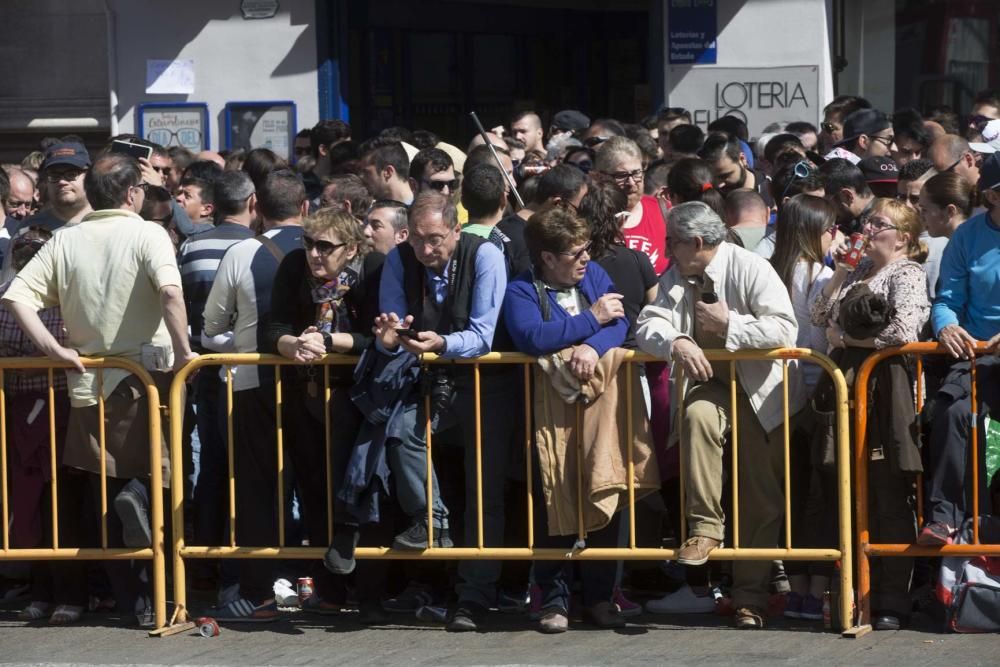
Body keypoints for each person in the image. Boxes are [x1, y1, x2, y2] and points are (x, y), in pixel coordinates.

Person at [2, 153, 197, 626]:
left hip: (87, 382)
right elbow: (171, 293)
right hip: (148, 380)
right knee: (163, 487)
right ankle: (164, 599)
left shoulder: (66, 239)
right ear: (133, 193)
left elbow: (14, 297)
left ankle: (137, 601)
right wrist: (185, 350)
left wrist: (55, 350)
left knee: (103, 497)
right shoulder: (148, 233)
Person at [635, 201, 798, 629]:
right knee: (697, 416)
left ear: (696, 242)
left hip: (762, 393)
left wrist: (730, 327)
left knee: (759, 500)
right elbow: (647, 323)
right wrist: (677, 340)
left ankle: (751, 599)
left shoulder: (752, 268)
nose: (666, 250)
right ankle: (705, 528)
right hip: (714, 385)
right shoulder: (676, 276)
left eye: (672, 242)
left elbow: (785, 328)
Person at [504, 206, 642, 633]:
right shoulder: (522, 290)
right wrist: (590, 320)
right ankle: (554, 599)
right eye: (574, 253)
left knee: (605, 486)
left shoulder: (595, 275)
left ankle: (601, 597)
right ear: (547, 257)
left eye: (586, 249)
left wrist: (593, 346)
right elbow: (531, 337)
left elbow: (621, 322)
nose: (585, 259)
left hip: (601, 411)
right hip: (547, 416)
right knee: (554, 498)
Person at [811, 198, 929, 630]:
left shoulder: (908, 274)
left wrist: (845, 340)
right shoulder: (858, 272)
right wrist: (841, 271)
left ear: (904, 238)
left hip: (885, 391)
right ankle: (849, 596)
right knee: (843, 489)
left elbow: (903, 331)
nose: (868, 226)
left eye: (879, 222)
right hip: (845, 389)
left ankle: (891, 599)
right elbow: (818, 315)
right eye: (869, 219)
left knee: (887, 492)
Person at [920, 153, 1000, 550]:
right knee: (952, 414)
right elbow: (945, 299)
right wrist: (946, 325)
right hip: (980, 355)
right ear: (992, 195)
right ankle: (944, 517)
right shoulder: (968, 236)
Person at [766, 195, 837, 621]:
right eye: (830, 228)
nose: (835, 235)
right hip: (813, 398)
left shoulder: (770, 268)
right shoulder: (819, 274)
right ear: (814, 231)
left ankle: (796, 589)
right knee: (819, 497)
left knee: (790, 495)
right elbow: (818, 339)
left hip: (775, 400)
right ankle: (814, 591)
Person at [0, 228, 74, 624]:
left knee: (66, 498)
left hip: (67, 406)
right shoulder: (10, 294)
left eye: (38, 251)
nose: (30, 257)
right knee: (32, 500)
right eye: (24, 250)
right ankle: (42, 591)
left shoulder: (66, 292)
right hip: (23, 408)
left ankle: (70, 593)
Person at [594, 137, 668, 274]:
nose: (632, 183)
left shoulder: (665, 211)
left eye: (636, 173)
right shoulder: (590, 218)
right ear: (599, 177)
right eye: (621, 176)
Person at [698, 132, 773, 206]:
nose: (719, 185)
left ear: (742, 159)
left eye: (725, 176)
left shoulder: (770, 191)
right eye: (713, 177)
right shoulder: (706, 198)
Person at [357, 138, 413, 204]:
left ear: (388, 172)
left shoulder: (420, 210)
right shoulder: (371, 211)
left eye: (366, 172)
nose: (360, 177)